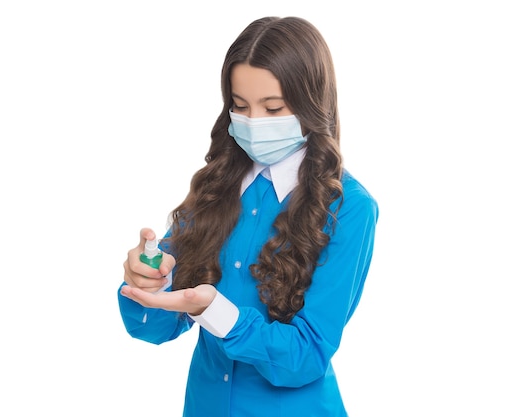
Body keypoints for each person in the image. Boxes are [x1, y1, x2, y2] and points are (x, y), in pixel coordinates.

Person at [117, 16, 379, 417]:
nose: (254, 123)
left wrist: (216, 313)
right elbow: (155, 327)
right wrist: (149, 279)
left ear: (312, 104)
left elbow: (306, 356)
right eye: (240, 106)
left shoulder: (350, 208)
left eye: (273, 108)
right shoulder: (216, 186)